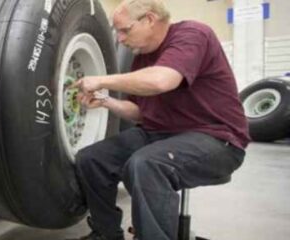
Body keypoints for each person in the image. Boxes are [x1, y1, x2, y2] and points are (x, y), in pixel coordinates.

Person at [69, 0, 250, 239]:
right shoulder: (143, 57)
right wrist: (104, 100)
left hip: (216, 139)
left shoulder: (192, 34)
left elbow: (162, 81)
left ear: (150, 20)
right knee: (91, 159)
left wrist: (102, 81)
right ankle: (106, 233)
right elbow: (140, 112)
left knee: (147, 164)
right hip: (160, 134)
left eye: (125, 30)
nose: (120, 39)